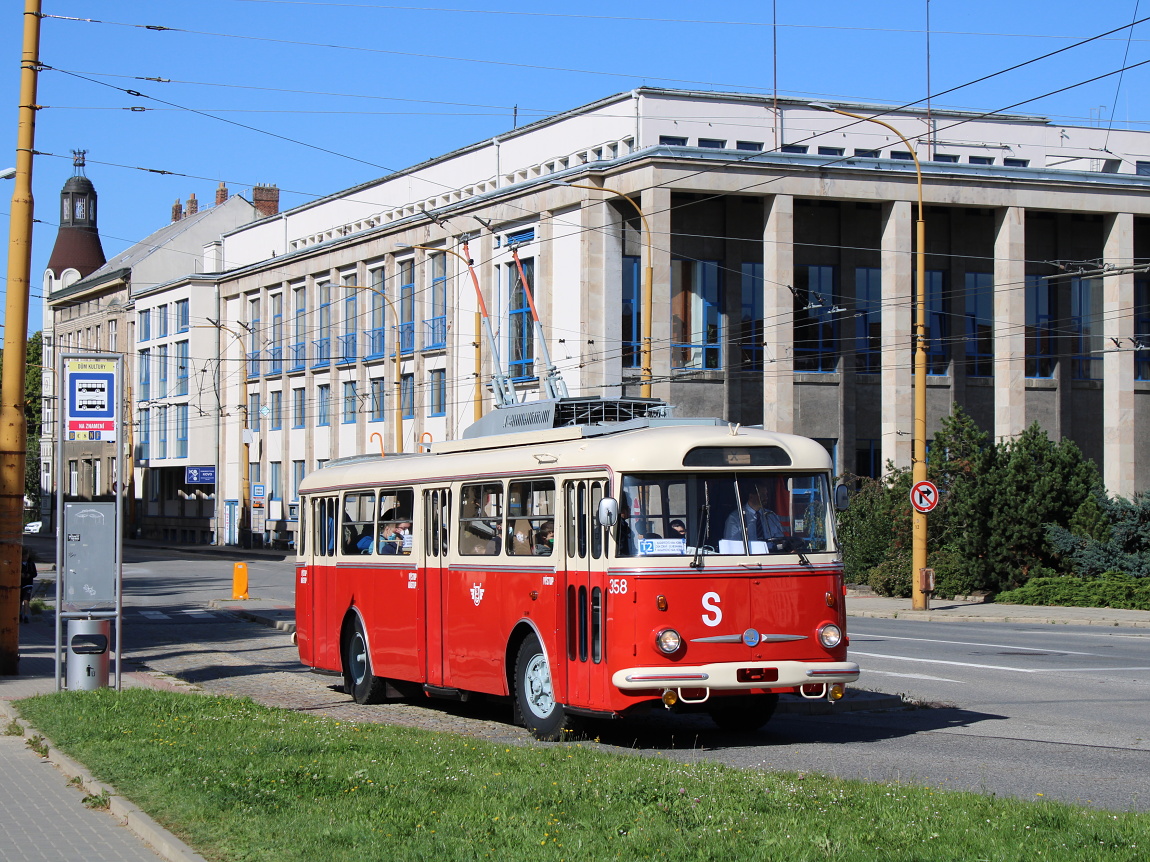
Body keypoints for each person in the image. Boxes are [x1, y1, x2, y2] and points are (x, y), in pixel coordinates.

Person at [20, 547, 36, 624]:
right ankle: (19, 614)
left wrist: (29, 575)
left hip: (28, 584)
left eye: (26, 556)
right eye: (23, 556)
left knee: (26, 600)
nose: (25, 558)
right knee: (19, 600)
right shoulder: (18, 563)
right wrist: (21, 575)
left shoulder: (31, 563)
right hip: (20, 584)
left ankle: (26, 615)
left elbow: (35, 573)